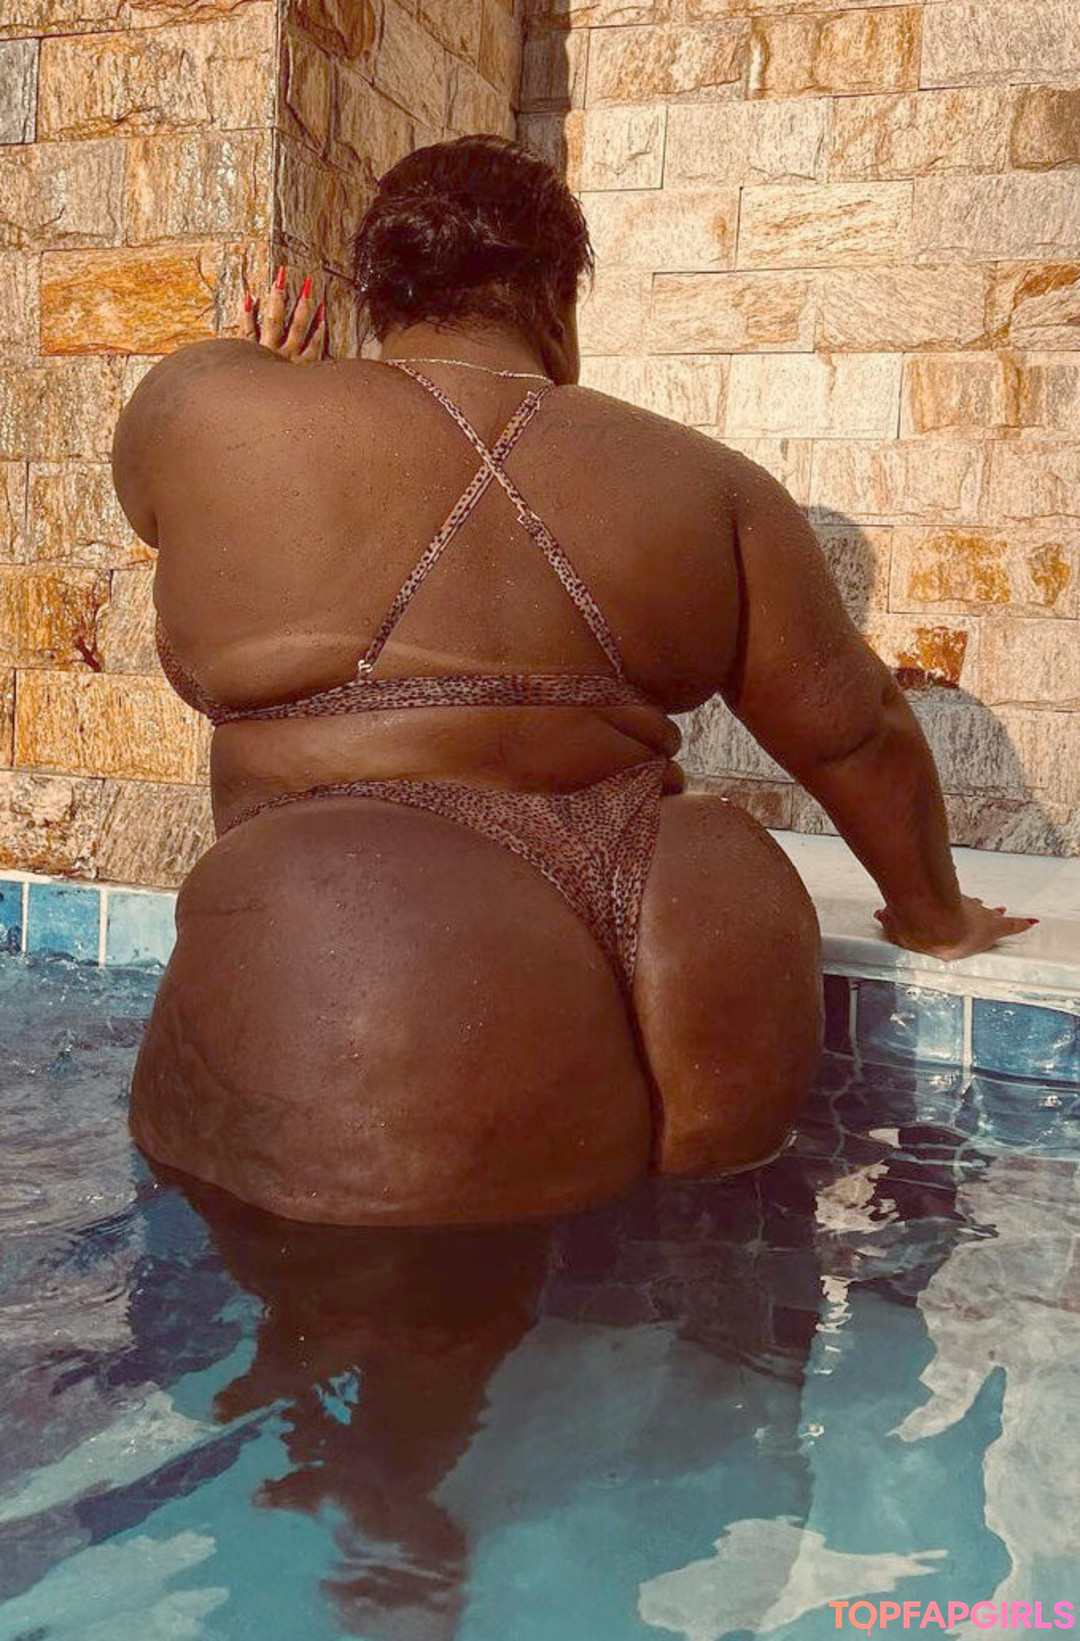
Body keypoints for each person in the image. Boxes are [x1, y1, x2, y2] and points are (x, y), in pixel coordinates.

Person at [111, 135, 1034, 1228]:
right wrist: (935, 917)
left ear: (375, 296)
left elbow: (155, 505)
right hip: (701, 945)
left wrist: (250, 365)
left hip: (382, 967)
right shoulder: (715, 484)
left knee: (365, 1321)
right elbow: (857, 735)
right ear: (558, 300)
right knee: (712, 1291)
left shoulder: (208, 412)